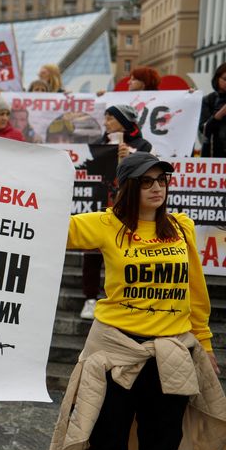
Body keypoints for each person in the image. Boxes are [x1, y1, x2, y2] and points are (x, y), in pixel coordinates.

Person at [45, 152, 225, 450]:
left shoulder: (181, 227)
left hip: (170, 355)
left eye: (162, 180)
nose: (157, 188)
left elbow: (195, 290)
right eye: (146, 182)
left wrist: (205, 341)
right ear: (129, 187)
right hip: (115, 354)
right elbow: (45, 225)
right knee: (105, 449)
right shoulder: (106, 224)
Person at [79, 104, 153, 321]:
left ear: (123, 120)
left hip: (129, 210)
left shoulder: (143, 144)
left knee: (127, 254)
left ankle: (125, 299)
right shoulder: (102, 143)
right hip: (101, 206)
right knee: (92, 252)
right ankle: (90, 298)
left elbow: (150, 167)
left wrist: (131, 155)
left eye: (110, 118)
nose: (106, 123)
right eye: (106, 118)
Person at [199, 61, 226, 157]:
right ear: (217, 79)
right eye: (225, 79)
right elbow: (204, 128)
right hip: (213, 153)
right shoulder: (209, 100)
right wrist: (221, 113)